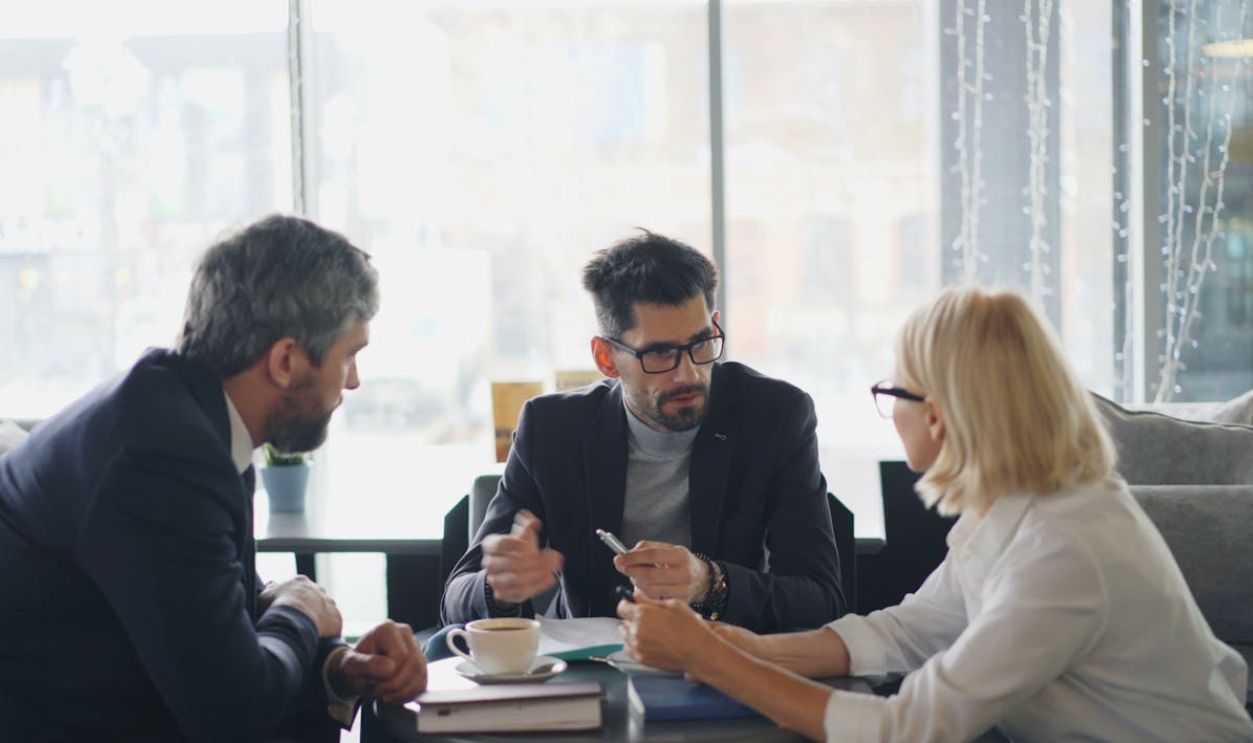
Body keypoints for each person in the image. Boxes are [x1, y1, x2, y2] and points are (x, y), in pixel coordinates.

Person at [617, 287, 1253, 742]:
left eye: (893, 391)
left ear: (939, 417)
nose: (888, 409)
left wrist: (711, 659)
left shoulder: (1065, 548)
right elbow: (910, 631)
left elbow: (910, 728)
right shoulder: (1014, 509)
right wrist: (753, 649)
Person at [0, 215, 428, 741]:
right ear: (287, 360)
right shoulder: (161, 457)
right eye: (350, 355)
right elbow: (235, 711)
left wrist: (338, 665)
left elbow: (217, 620)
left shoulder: (181, 414)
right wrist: (297, 608)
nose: (355, 381)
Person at [441, 231, 845, 634]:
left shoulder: (773, 416)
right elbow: (455, 598)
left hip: (724, 665)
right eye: (659, 353)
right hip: (592, 672)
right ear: (606, 358)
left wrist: (709, 582)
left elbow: (821, 600)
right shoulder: (551, 429)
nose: (688, 373)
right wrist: (499, 588)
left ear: (715, 325)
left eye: (701, 343)